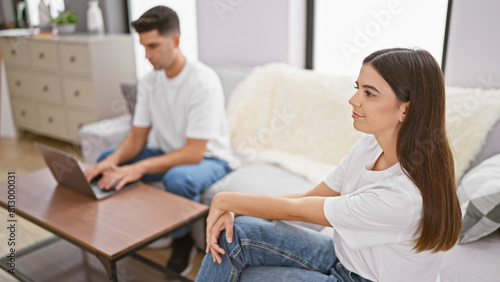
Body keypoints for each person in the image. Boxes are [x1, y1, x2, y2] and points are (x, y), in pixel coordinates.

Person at [197, 48, 462, 282]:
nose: (354, 100)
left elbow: (297, 211)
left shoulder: (402, 196)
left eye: (369, 93)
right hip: (345, 258)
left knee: (243, 276)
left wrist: (226, 200)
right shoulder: (371, 144)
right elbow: (310, 198)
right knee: (237, 234)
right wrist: (236, 207)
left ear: (406, 109)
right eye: (357, 87)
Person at [84, 6, 237, 275]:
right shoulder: (149, 82)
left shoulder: (202, 81)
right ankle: (127, 227)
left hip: (210, 159)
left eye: (153, 46)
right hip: (168, 152)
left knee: (178, 178)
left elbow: (193, 153)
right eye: (144, 47)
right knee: (103, 161)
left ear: (175, 40)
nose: (147, 55)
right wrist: (110, 161)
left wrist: (138, 167)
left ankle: (182, 240)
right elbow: (137, 136)